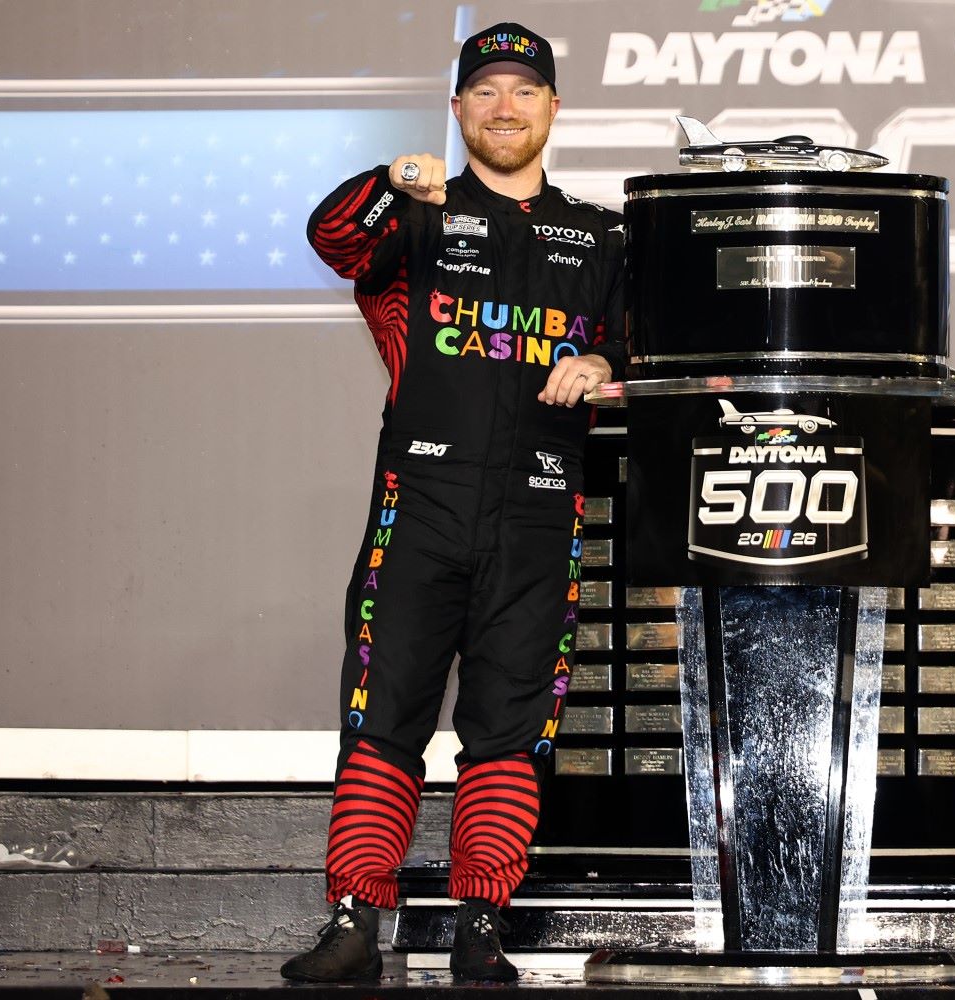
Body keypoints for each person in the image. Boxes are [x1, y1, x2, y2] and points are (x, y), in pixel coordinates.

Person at [280, 20, 625, 984]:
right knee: (383, 713)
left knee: (509, 729)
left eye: (524, 91)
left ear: (554, 109)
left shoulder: (603, 237)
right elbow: (333, 238)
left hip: (540, 517)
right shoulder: (418, 216)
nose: (504, 107)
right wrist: (393, 182)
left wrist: (602, 359)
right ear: (458, 108)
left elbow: (659, 350)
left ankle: (482, 922)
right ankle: (354, 921)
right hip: (419, 507)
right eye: (485, 91)